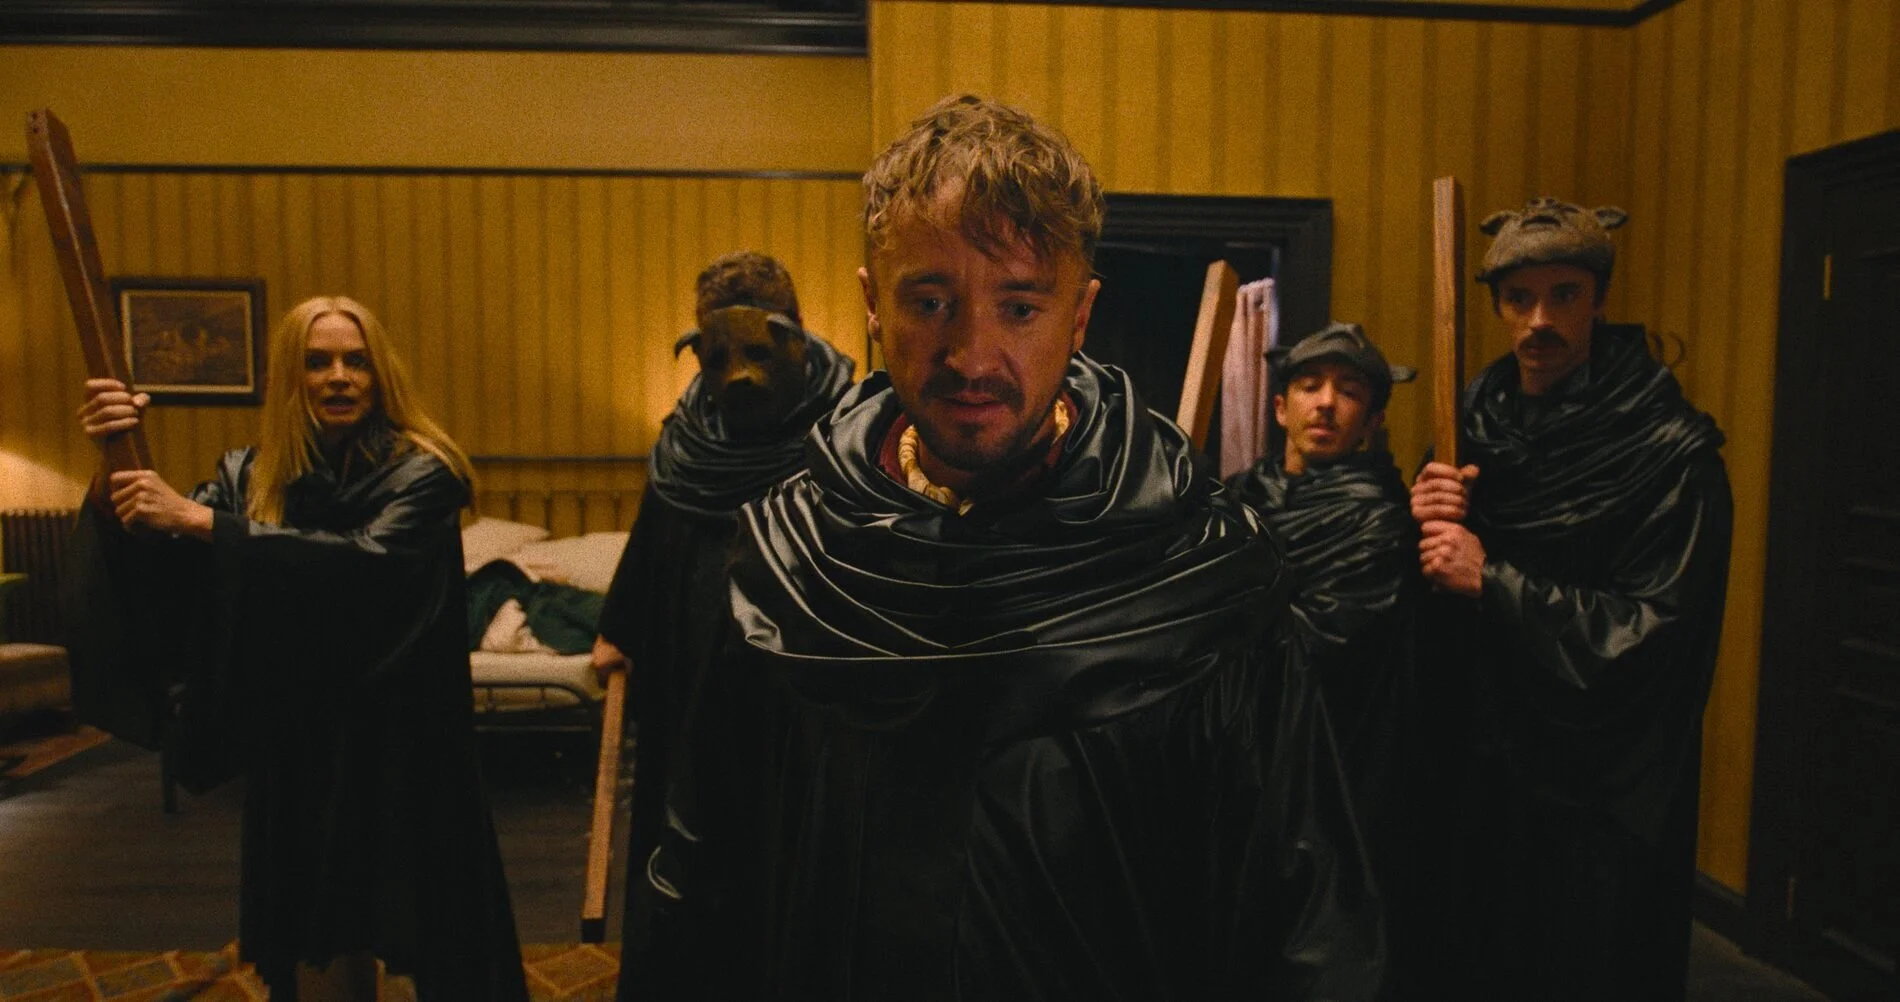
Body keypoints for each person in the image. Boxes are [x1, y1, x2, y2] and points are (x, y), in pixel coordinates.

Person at [627, 94, 1381, 1001]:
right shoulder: (787, 562)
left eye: (1019, 306)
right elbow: (700, 880)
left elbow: (1308, 926)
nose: (973, 355)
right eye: (931, 301)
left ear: (1080, 315)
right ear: (873, 305)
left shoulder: (1207, 582)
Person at [70, 296, 529, 1002]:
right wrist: (114, 476)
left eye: (356, 361)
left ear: (380, 375)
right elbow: (171, 566)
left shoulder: (424, 472)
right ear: (291, 375)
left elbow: (366, 564)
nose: (338, 377)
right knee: (318, 923)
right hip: (300, 741)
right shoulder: (249, 477)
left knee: (420, 923)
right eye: (317, 362)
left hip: (399, 741)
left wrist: (203, 523)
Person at [1410, 198, 1733, 999]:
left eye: (1564, 295)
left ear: (1600, 299)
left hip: (1599, 780)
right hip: (1487, 763)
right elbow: (1430, 591)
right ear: (1496, 306)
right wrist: (1417, 518)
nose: (1540, 321)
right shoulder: (1471, 425)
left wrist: (1494, 580)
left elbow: (1655, 632)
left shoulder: (1667, 454)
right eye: (1519, 298)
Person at [591, 251, 854, 1000]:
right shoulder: (687, 439)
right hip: (687, 686)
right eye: (719, 355)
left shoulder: (847, 436)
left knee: (784, 872)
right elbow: (657, 535)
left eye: (761, 353)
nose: (740, 377)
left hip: (795, 702)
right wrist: (620, 629)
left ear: (795, 338)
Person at [1225, 321, 1425, 998]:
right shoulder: (1237, 499)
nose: (1327, 404)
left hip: (1329, 753)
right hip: (1229, 754)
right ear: (1281, 407)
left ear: (1373, 418)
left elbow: (1325, 639)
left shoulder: (1381, 518)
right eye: (1310, 386)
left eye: (1350, 391)